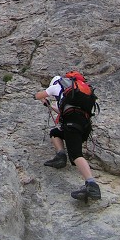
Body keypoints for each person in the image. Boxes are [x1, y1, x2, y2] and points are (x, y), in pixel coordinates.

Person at [34, 72, 101, 201]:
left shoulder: (55, 85)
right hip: (83, 125)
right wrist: (48, 104)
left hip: (72, 122)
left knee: (76, 155)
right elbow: (62, 110)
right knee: (55, 133)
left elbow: (38, 95)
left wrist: (35, 96)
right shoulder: (71, 94)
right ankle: (61, 156)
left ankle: (92, 184)